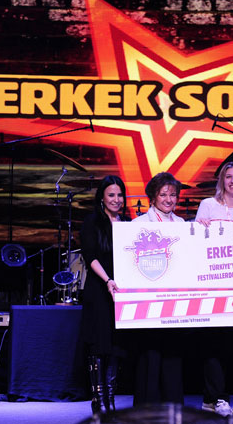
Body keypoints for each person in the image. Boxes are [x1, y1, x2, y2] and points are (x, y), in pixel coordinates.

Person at [194, 161, 233, 417]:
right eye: (229, 176)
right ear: (222, 181)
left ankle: (211, 399)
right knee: (213, 343)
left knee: (229, 346)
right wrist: (200, 226)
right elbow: (195, 240)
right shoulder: (208, 205)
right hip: (212, 285)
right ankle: (217, 398)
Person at [132, 172, 185, 405]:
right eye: (163, 194)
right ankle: (147, 407)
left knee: (173, 353)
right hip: (148, 300)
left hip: (174, 300)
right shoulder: (138, 225)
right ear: (152, 197)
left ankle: (173, 406)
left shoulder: (181, 225)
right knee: (150, 355)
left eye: (173, 195)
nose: (169, 199)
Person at [79, 175, 130, 414]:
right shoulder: (92, 222)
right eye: (111, 195)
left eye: (120, 195)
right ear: (102, 197)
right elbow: (90, 257)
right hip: (100, 289)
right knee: (99, 344)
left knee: (117, 345)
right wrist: (108, 280)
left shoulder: (127, 223)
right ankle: (98, 400)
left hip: (121, 291)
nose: (116, 199)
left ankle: (110, 398)